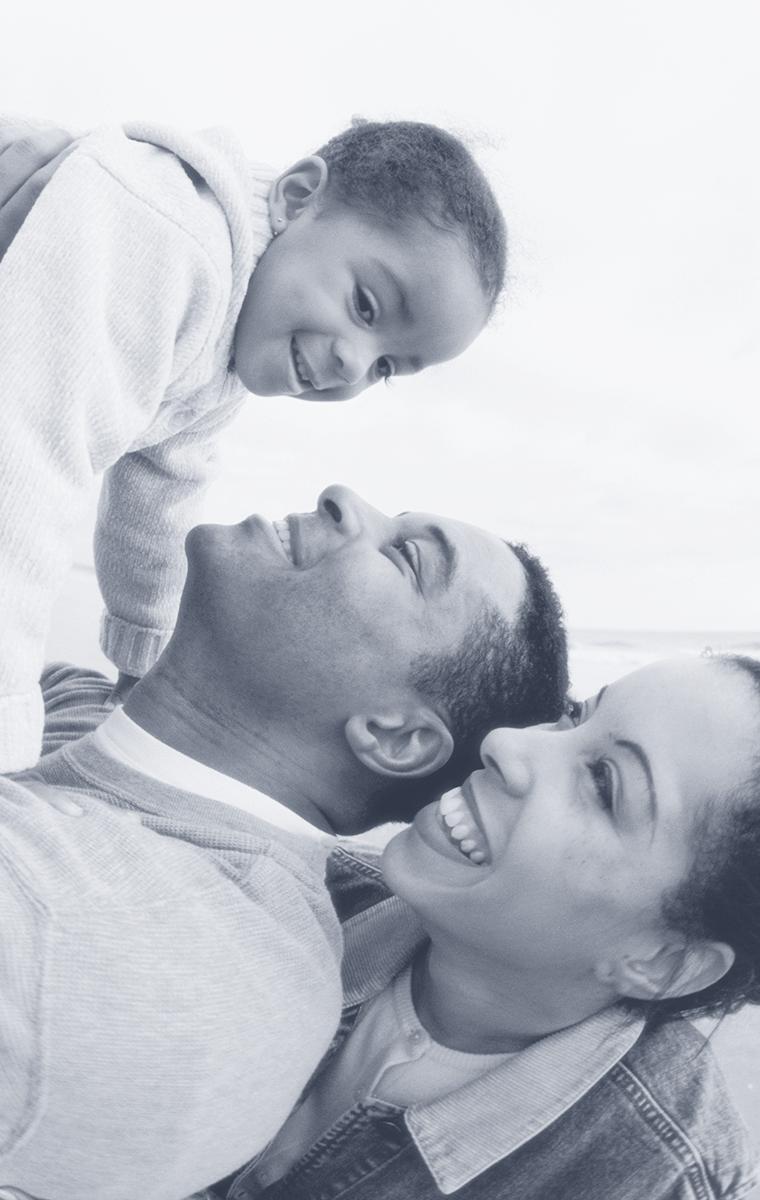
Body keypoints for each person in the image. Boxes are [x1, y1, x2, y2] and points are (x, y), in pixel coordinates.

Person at [0, 485, 568, 1200]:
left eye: (407, 557)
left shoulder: (116, 947)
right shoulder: (74, 720)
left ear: (393, 735)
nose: (341, 496)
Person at [0, 115, 507, 771]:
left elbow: (160, 499)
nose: (354, 364)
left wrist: (141, 662)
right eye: (365, 306)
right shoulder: (169, 237)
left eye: (386, 366)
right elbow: (26, 461)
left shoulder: (225, 353)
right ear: (296, 198)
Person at [219, 654, 760, 1200]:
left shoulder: (658, 1179)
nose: (504, 742)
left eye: (602, 782)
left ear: (661, 963)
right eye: (575, 715)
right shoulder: (275, 888)